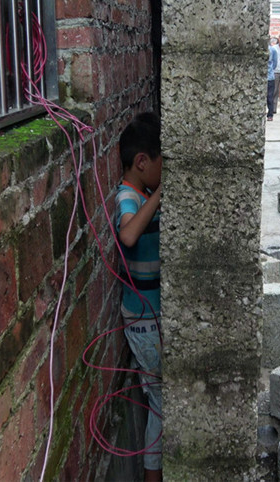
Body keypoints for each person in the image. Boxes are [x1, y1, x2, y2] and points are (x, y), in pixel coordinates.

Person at [115, 115, 163, 482]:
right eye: (161, 166)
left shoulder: (142, 194)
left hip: (152, 316)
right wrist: (161, 195)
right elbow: (129, 235)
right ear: (142, 162)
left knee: (162, 404)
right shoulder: (128, 196)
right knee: (160, 409)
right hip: (143, 322)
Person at [266, 43, 277, 121]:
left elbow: (275, 63)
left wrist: (270, 70)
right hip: (262, 76)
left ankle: (270, 114)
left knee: (270, 97)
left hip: (270, 76)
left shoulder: (272, 50)